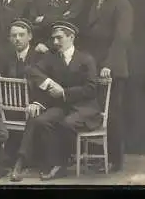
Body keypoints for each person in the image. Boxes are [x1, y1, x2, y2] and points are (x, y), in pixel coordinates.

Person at [10, 21, 101, 182]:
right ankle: (35, 162)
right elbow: (31, 70)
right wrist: (50, 84)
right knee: (40, 120)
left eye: (59, 38)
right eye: (53, 39)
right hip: (63, 107)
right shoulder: (52, 58)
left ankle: (60, 165)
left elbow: (91, 89)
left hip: (84, 108)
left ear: (71, 37)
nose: (55, 42)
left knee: (65, 123)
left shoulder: (86, 59)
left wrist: (64, 92)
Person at [81, 0, 134, 172]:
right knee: (95, 111)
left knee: (111, 113)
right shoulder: (95, 5)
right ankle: (99, 156)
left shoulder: (121, 4)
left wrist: (108, 65)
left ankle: (115, 160)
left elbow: (122, 38)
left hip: (111, 67)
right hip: (95, 67)